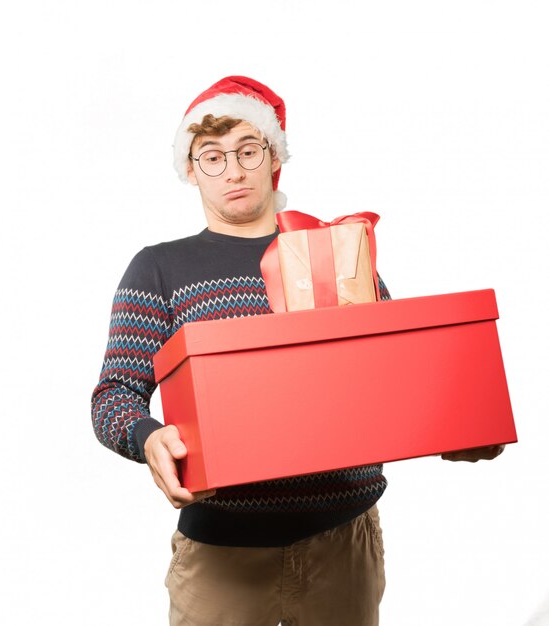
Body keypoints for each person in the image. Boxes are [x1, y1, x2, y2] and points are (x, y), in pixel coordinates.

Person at [91, 75, 505, 626]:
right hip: (221, 555)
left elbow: (394, 378)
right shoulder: (159, 267)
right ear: (190, 170)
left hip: (343, 543)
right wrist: (148, 438)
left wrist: (453, 432)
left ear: (274, 156)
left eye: (247, 150)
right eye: (211, 157)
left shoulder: (339, 252)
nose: (233, 170)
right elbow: (114, 395)